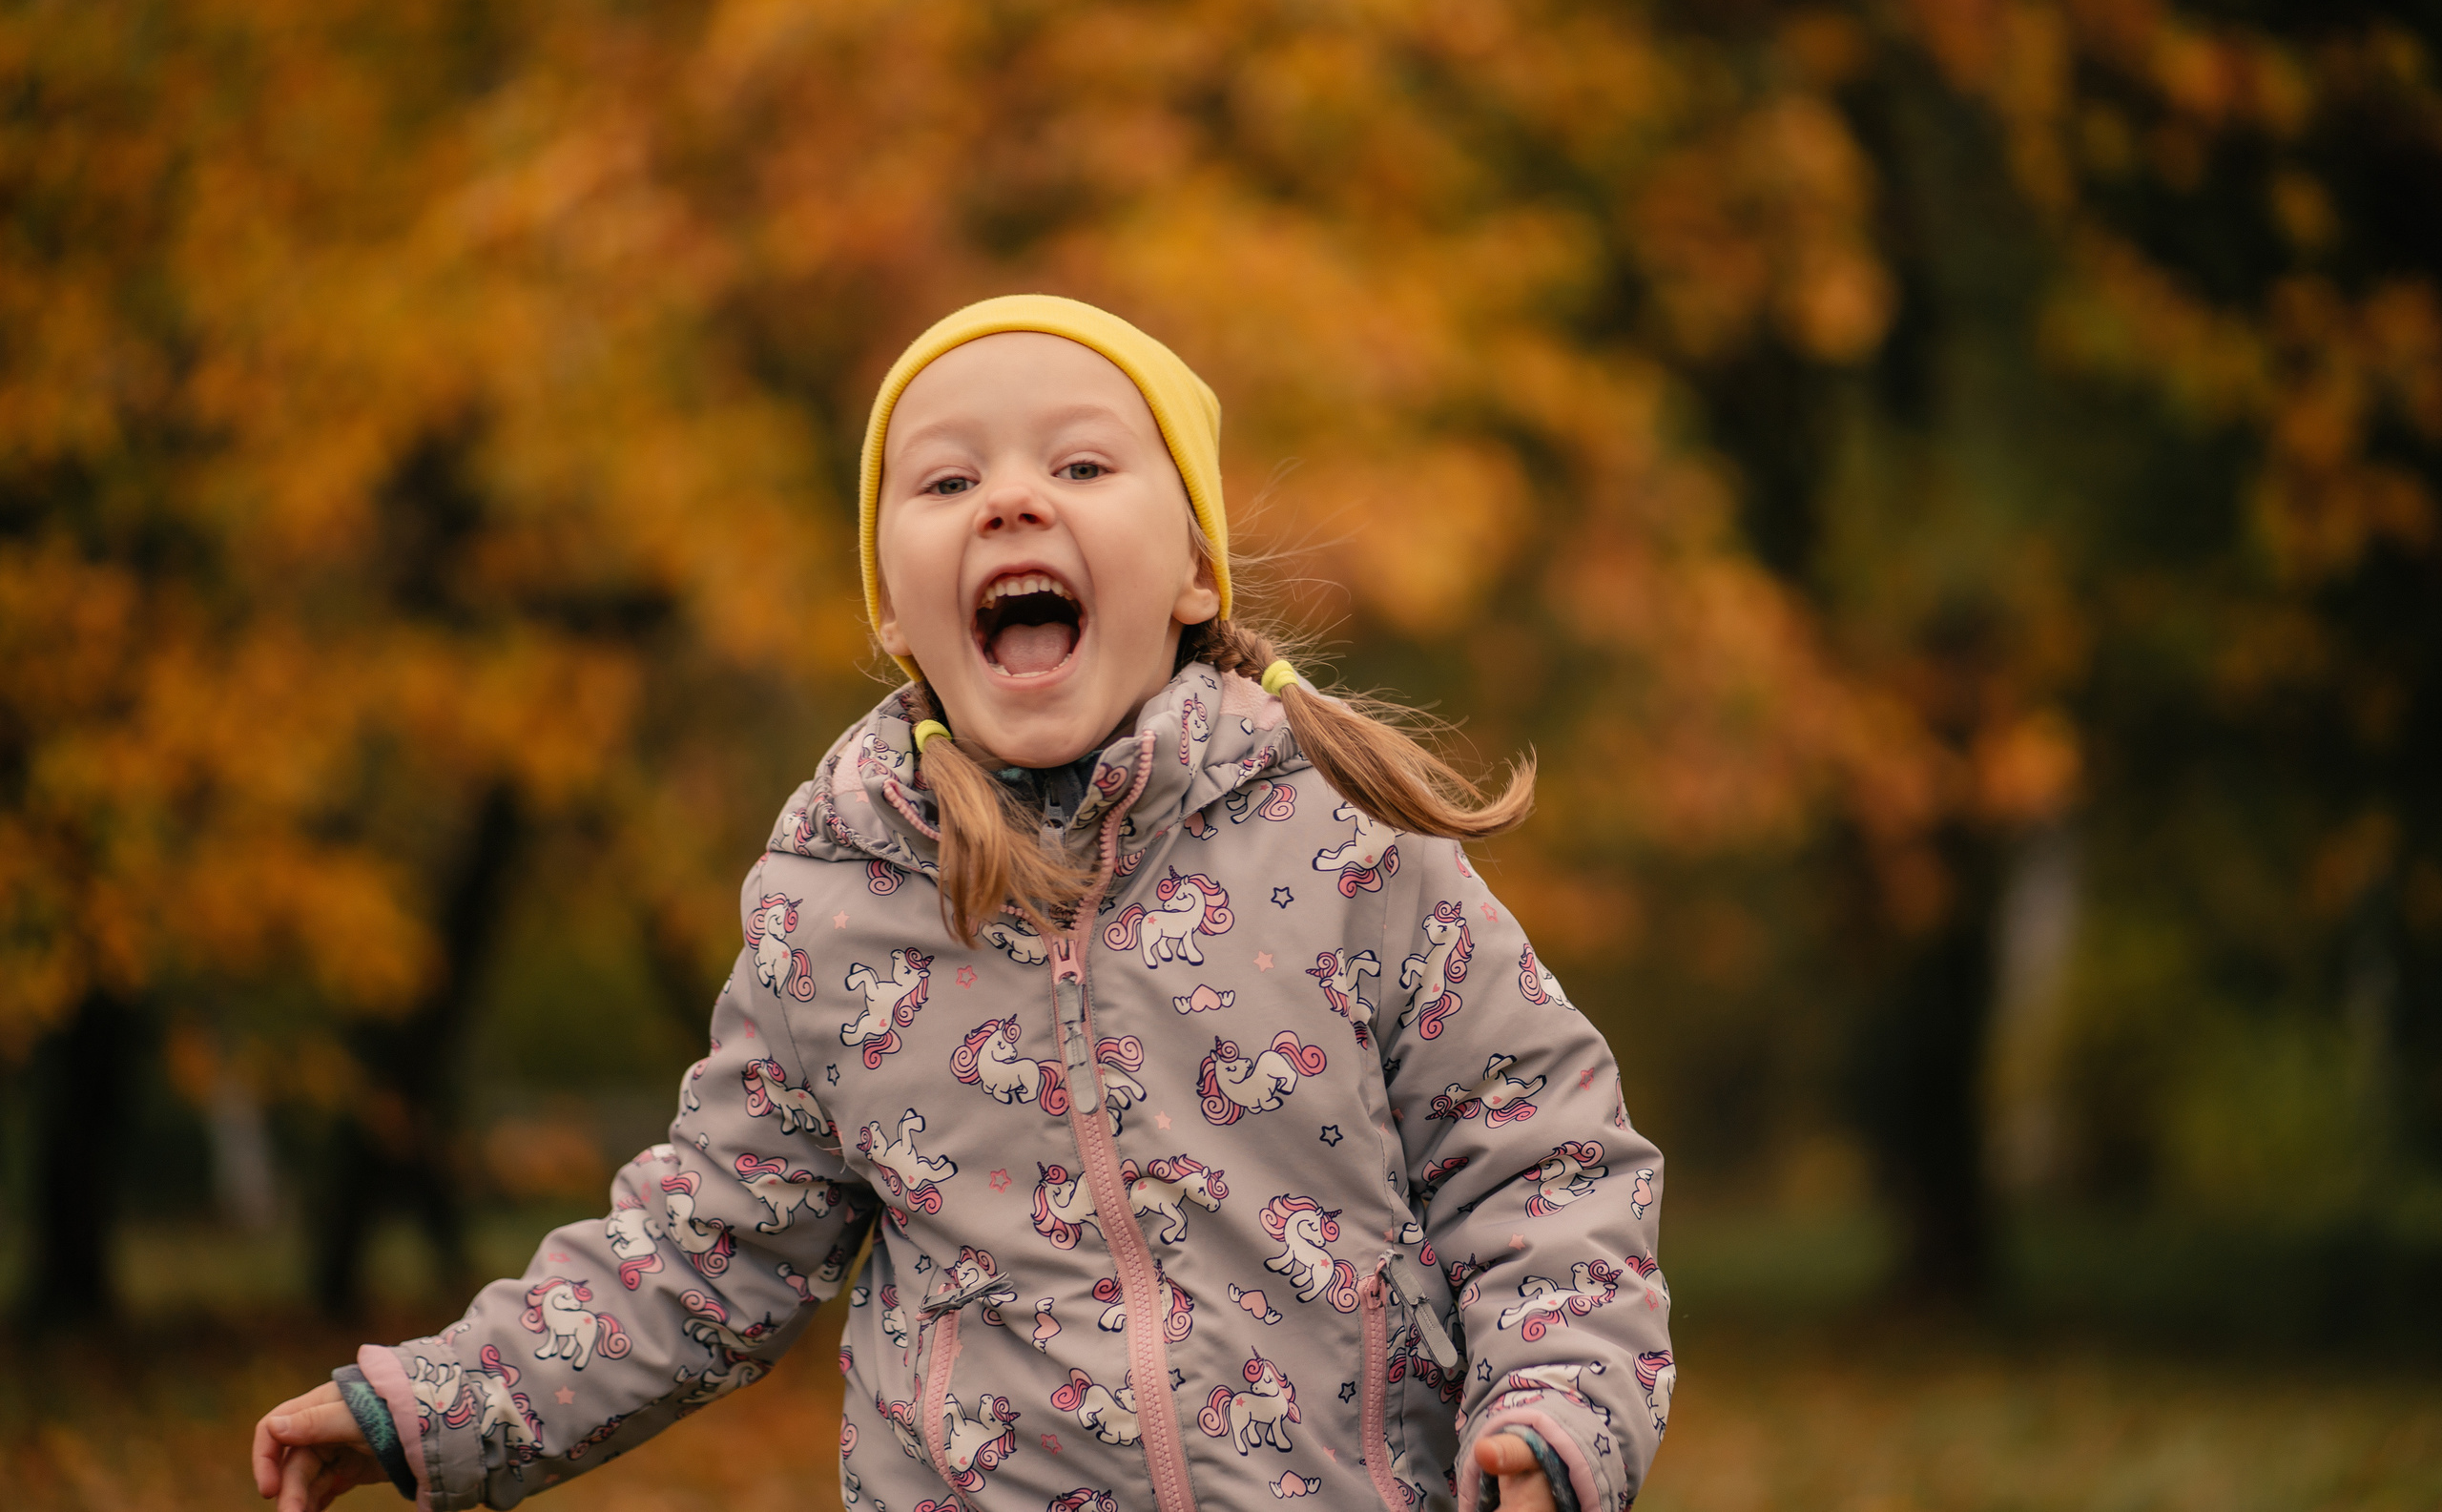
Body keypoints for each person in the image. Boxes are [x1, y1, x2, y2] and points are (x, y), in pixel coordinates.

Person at [252, 296, 1673, 1512]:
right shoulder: (836, 906)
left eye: (1081, 463)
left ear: (1193, 571)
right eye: (944, 482)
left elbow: (1540, 1159)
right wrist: (433, 1406)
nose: (1010, 499)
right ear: (891, 605)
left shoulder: (1344, 843)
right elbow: (702, 1250)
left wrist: (1557, 1410)